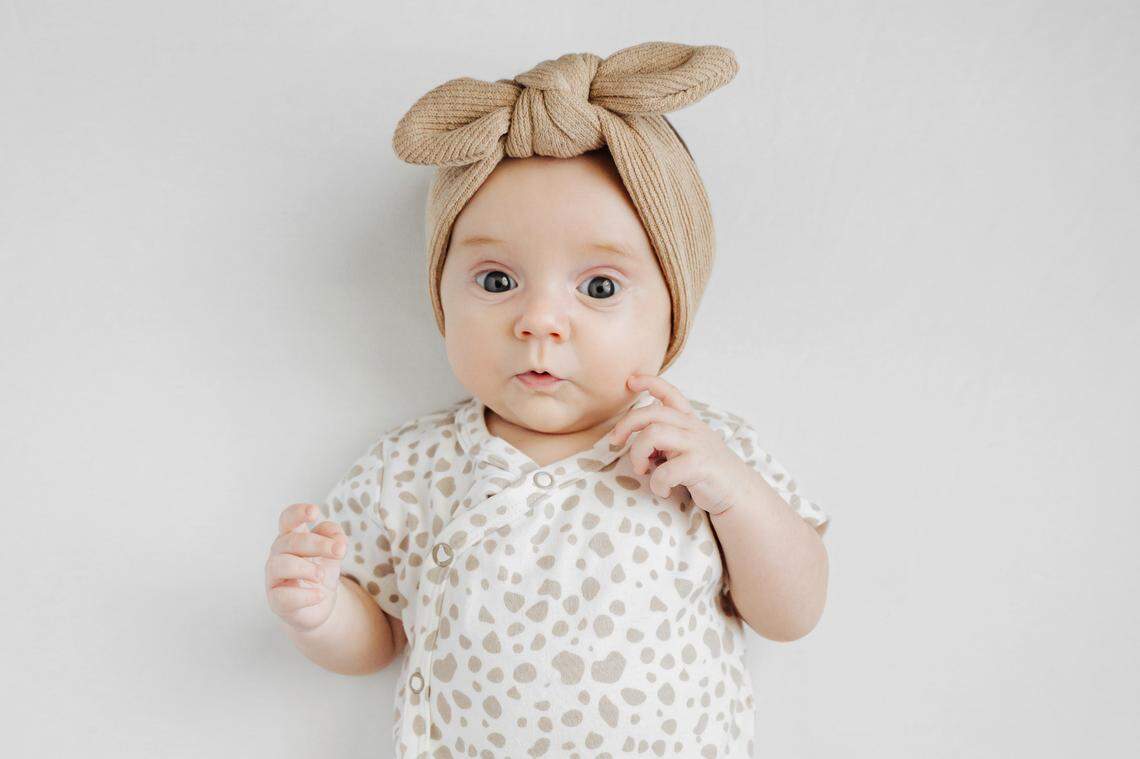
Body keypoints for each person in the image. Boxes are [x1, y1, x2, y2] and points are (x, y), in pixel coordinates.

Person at [264, 41, 831, 758]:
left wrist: (737, 497)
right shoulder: (415, 466)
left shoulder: (701, 450)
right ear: (440, 294)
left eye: (598, 288)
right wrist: (319, 612)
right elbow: (380, 641)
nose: (538, 320)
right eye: (497, 281)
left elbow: (792, 612)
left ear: (672, 312)